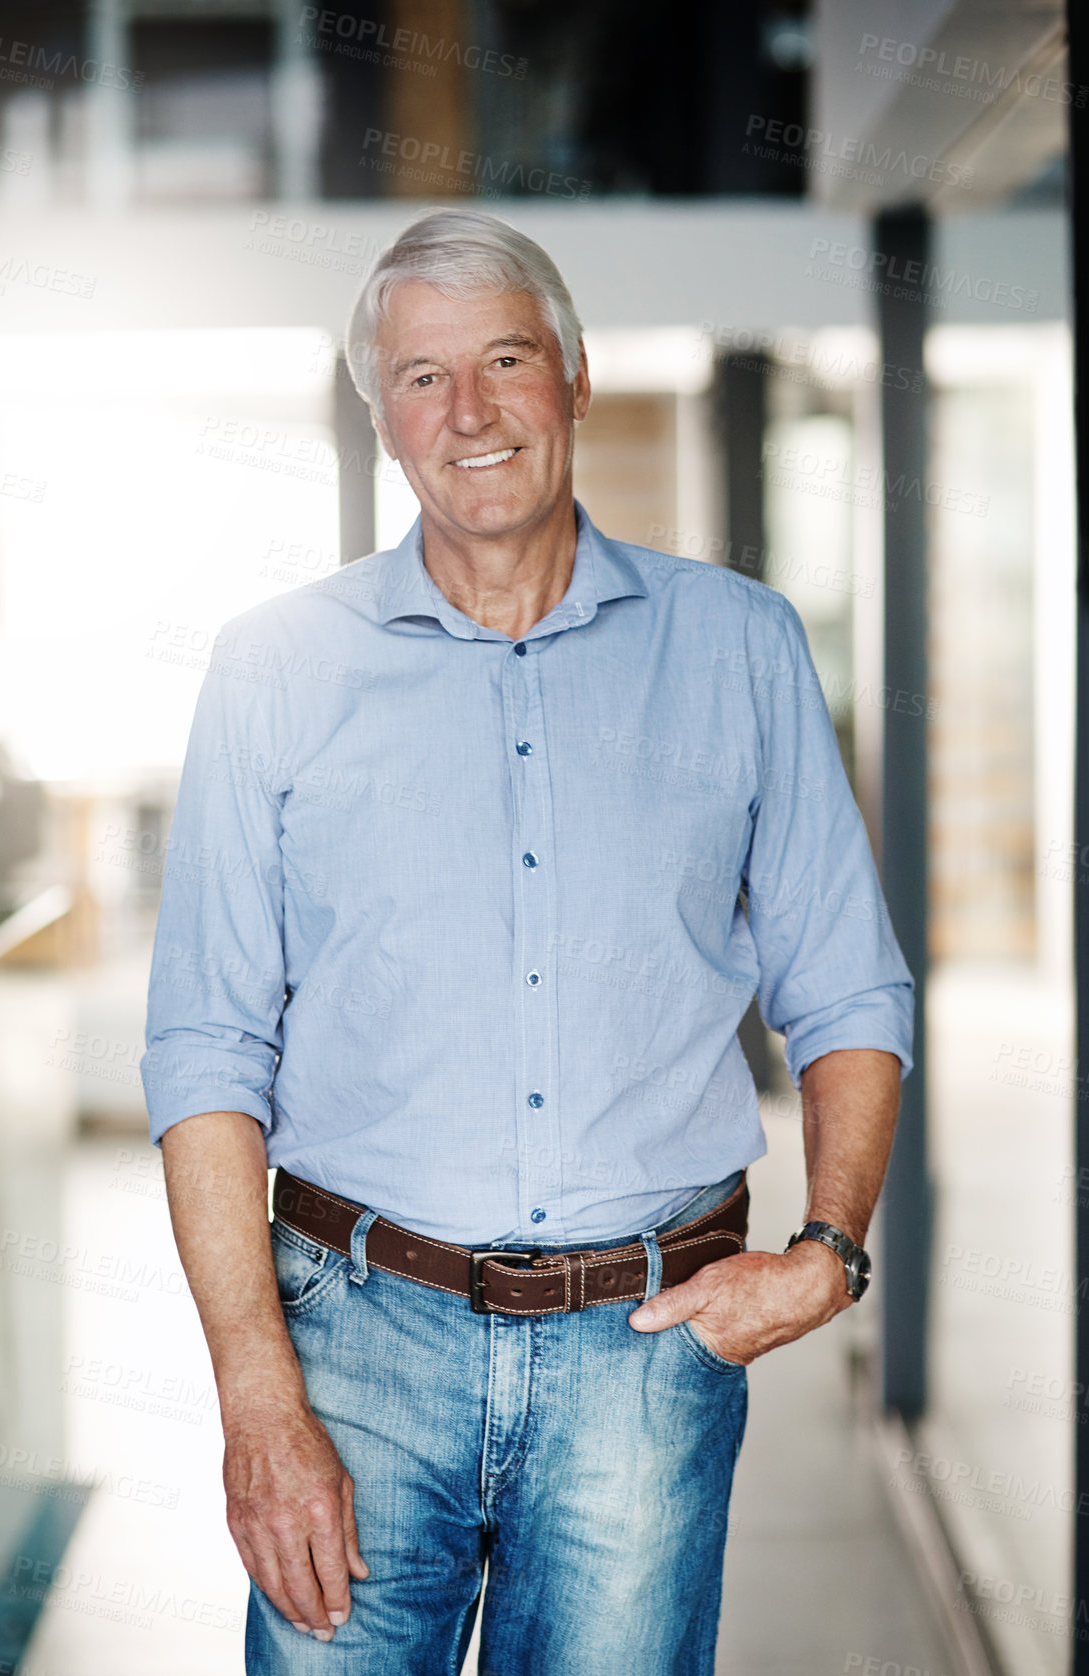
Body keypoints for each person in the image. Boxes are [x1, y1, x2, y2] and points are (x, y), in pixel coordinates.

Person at [141, 206, 914, 1676]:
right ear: (383, 417)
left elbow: (849, 985)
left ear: (574, 376)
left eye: (504, 359)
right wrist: (257, 1395)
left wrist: (831, 1249)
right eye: (423, 377)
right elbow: (205, 1049)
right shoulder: (275, 671)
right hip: (355, 1342)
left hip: (648, 1351)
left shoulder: (739, 644)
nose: (471, 412)